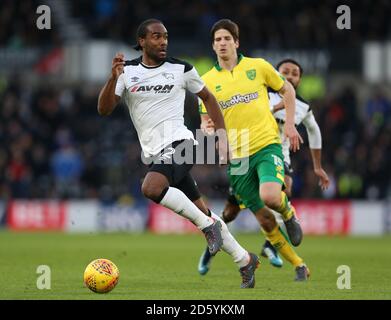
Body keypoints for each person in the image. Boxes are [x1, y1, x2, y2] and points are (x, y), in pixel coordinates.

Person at [97, 18, 259, 288]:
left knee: (151, 187)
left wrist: (220, 138)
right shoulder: (127, 72)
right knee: (201, 209)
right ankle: (245, 260)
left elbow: (208, 98)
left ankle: (208, 228)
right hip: (155, 153)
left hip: (182, 143)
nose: (163, 41)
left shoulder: (181, 68)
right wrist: (112, 78)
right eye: (157, 37)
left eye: (166, 36)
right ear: (142, 42)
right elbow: (104, 109)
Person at [197, 19, 309, 281]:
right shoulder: (206, 81)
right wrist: (208, 129)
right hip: (237, 157)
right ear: (213, 47)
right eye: (217, 40)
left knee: (271, 197)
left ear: (236, 42)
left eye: (227, 38)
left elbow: (288, 90)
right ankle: (299, 265)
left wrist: (290, 126)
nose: (222, 43)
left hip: (266, 144)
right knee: (264, 219)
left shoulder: (258, 67)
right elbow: (205, 120)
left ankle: (289, 214)